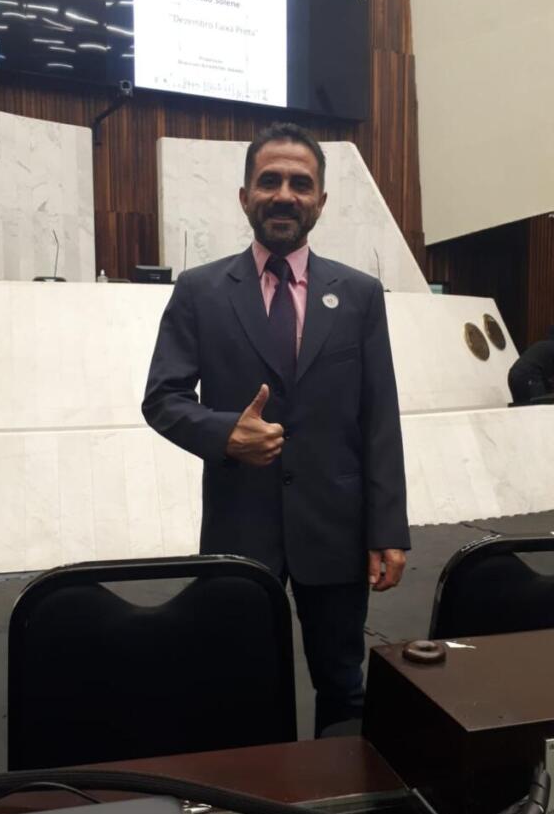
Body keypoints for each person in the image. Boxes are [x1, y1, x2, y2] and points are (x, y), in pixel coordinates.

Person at [142, 122, 410, 735]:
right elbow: (163, 399)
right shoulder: (200, 291)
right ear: (245, 197)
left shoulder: (360, 295)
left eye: (300, 183)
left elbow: (379, 416)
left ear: (320, 200)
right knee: (237, 685)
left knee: (343, 685)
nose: (284, 194)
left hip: (336, 530)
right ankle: (254, 797)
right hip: (240, 526)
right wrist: (223, 434)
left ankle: (337, 795)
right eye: (269, 181)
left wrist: (387, 529)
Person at [508, 327, 554, 405]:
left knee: (521, 409)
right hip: (528, 376)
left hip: (513, 375)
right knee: (539, 407)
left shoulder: (543, 345)